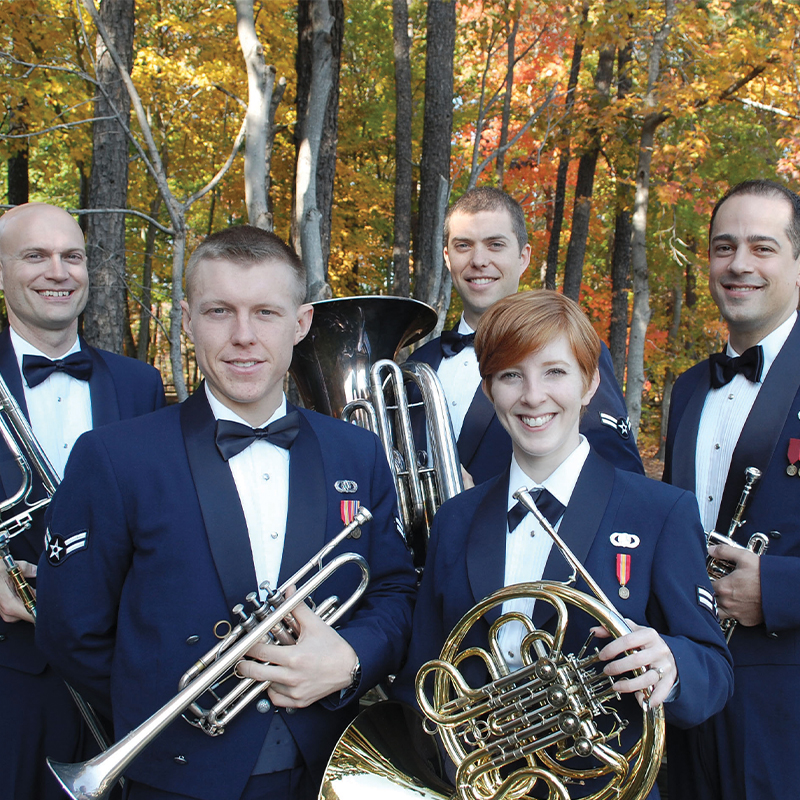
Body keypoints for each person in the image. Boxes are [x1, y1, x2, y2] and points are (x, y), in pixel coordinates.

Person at [35, 225, 417, 800]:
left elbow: (393, 590)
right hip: (177, 773)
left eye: (265, 312)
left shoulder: (356, 451)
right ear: (187, 319)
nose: (243, 336)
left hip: (329, 766)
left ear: (301, 323)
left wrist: (352, 658)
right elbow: (72, 631)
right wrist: (170, 705)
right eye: (219, 312)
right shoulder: (115, 457)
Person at [394, 290, 733, 798]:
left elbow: (714, 671)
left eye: (555, 372)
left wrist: (675, 662)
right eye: (512, 375)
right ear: (489, 389)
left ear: (590, 382)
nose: (533, 396)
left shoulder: (660, 511)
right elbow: (421, 683)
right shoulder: (455, 518)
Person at [0, 203, 166, 800]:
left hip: (114, 668)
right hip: (10, 673)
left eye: (71, 256)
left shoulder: (140, 383)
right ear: (1, 272)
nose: (58, 271)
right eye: (34, 256)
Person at [663, 179, 800, 799]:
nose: (739, 263)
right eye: (724, 247)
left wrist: (775, 588)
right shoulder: (688, 391)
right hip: (689, 702)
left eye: (762, 247)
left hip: (786, 711)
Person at [411, 187, 643, 486]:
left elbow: (620, 475)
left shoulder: (570, 349)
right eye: (463, 245)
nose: (479, 260)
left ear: (523, 257)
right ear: (447, 257)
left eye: (495, 244)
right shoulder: (418, 364)